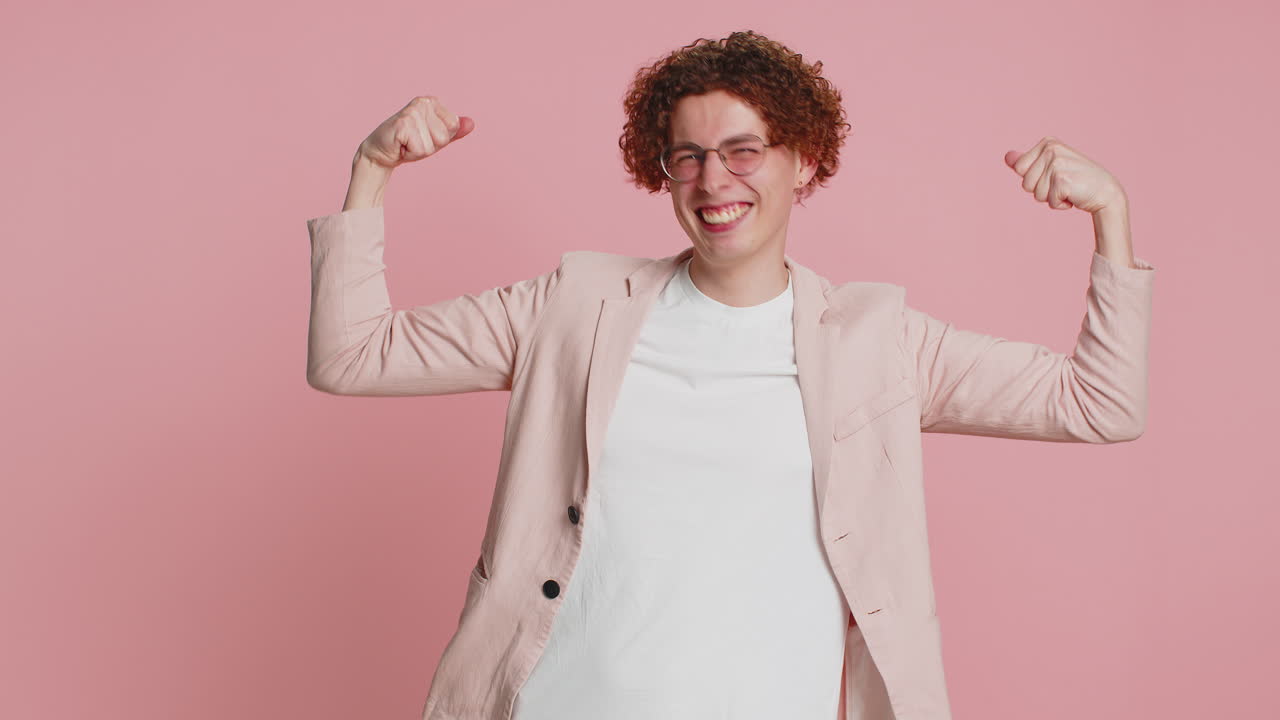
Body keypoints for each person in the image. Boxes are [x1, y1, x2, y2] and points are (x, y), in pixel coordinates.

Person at [305, 30, 1155, 720]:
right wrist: (371, 172)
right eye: (688, 156)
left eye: (744, 151)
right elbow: (354, 355)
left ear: (804, 161)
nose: (714, 180)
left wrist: (1109, 216)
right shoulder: (571, 306)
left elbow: (1101, 404)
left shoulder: (879, 342)